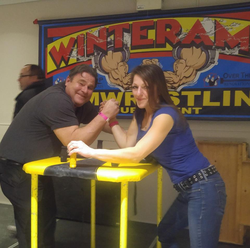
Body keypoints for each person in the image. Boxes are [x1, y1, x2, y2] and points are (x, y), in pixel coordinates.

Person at [67, 64, 227, 248]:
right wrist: (112, 121)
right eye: (135, 87)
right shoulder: (140, 113)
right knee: (165, 233)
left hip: (204, 186)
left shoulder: (166, 115)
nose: (139, 93)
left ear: (158, 88)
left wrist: (90, 151)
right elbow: (127, 143)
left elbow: (136, 154)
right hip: (187, 189)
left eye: (146, 87)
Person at [0, 64, 119, 248]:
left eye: (90, 87)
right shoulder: (57, 99)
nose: (85, 90)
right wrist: (105, 115)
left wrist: (130, 128)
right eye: (81, 83)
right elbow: (73, 141)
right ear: (68, 81)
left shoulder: (79, 104)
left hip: (36, 169)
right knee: (34, 226)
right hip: (16, 169)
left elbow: (102, 124)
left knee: (46, 218)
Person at [7, 64, 47, 235]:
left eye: (22, 75)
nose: (19, 79)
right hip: (44, 157)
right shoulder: (48, 94)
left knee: (23, 198)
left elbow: (18, 129)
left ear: (33, 77)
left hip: (23, 157)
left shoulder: (25, 97)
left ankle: (26, 231)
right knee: (41, 199)